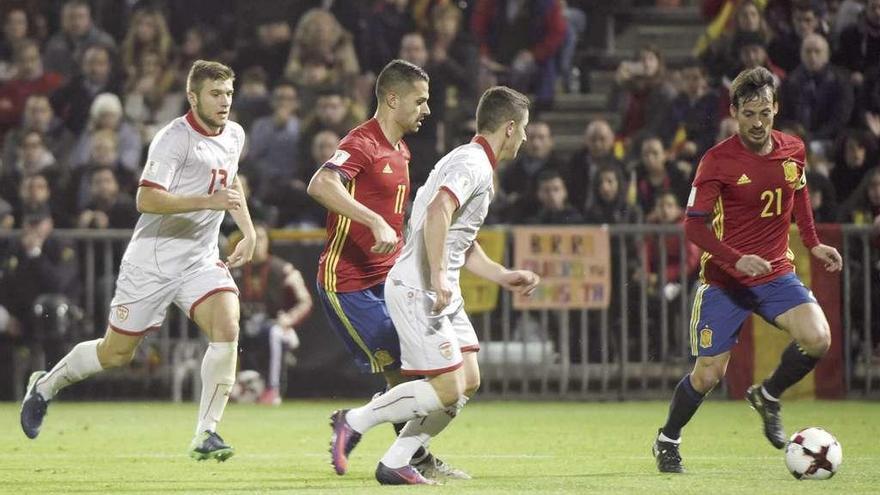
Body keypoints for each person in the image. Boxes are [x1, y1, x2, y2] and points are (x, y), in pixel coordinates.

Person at [19, 60, 256, 463]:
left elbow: (229, 182)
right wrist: (207, 202)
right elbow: (146, 198)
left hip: (199, 259)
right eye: (216, 94)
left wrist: (247, 230)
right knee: (116, 354)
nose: (225, 102)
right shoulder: (172, 139)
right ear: (193, 96)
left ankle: (207, 433)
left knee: (227, 324)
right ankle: (45, 385)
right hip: (153, 261)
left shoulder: (235, 134)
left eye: (229, 93)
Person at [328, 86, 540, 485]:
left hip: (436, 286)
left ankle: (397, 460)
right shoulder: (473, 164)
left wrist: (500, 274)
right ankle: (352, 420)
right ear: (509, 128)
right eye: (524, 129)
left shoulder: (470, 161)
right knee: (446, 388)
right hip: (419, 286)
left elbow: (459, 234)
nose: (526, 138)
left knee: (468, 380)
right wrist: (440, 276)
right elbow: (441, 209)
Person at [651, 67, 843, 474]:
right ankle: (668, 439)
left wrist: (812, 243)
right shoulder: (717, 161)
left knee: (819, 338)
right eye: (749, 114)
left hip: (775, 275)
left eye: (765, 113)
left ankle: (768, 396)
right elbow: (693, 225)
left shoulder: (793, 150)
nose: (758, 123)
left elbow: (800, 197)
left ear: (776, 109)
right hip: (726, 280)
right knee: (707, 376)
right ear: (735, 112)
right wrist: (735, 258)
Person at [307, 59, 465, 480]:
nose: (426, 110)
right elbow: (321, 184)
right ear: (392, 99)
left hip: (389, 281)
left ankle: (406, 454)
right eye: (420, 101)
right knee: (404, 371)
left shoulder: (402, 149)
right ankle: (400, 453)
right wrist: (372, 220)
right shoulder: (362, 142)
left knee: (422, 374)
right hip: (349, 284)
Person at [232, 223, 312, 406]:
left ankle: (272, 389)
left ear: (268, 242)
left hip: (277, 327)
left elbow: (305, 300)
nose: (257, 243)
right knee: (225, 331)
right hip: (245, 327)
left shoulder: (282, 269)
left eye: (261, 238)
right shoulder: (237, 269)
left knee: (274, 332)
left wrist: (289, 319)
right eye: (252, 237)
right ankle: (229, 387)